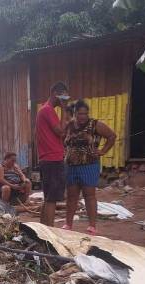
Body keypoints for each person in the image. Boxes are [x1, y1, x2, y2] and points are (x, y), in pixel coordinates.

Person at [63, 99, 116, 235]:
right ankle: (68, 224)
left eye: (85, 114)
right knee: (71, 196)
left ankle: (92, 226)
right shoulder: (69, 125)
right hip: (71, 166)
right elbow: (62, 139)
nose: (82, 117)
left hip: (89, 165)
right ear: (75, 113)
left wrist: (103, 151)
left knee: (89, 195)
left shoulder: (95, 124)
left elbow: (112, 136)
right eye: (80, 114)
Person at [36, 81, 70, 226]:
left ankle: (43, 231)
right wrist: (63, 110)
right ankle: (50, 234)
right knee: (52, 199)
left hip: (47, 159)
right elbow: (61, 132)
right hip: (53, 158)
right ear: (56, 94)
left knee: (48, 198)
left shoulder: (43, 110)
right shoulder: (48, 110)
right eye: (63, 97)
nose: (65, 101)